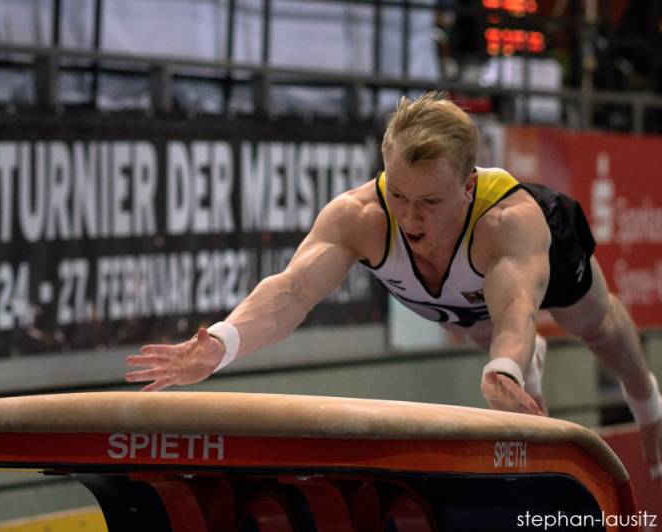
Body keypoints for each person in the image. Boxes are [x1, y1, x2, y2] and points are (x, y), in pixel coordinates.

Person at [125, 92, 662, 485]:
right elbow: (292, 292)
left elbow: (518, 312)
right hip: (467, 306)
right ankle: (522, 370)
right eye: (399, 194)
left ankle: (650, 403)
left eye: (429, 202)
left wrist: (505, 368)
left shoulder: (508, 223)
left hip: (537, 258)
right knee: (478, 329)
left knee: (592, 324)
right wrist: (223, 343)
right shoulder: (360, 217)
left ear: (469, 186)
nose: (410, 217)